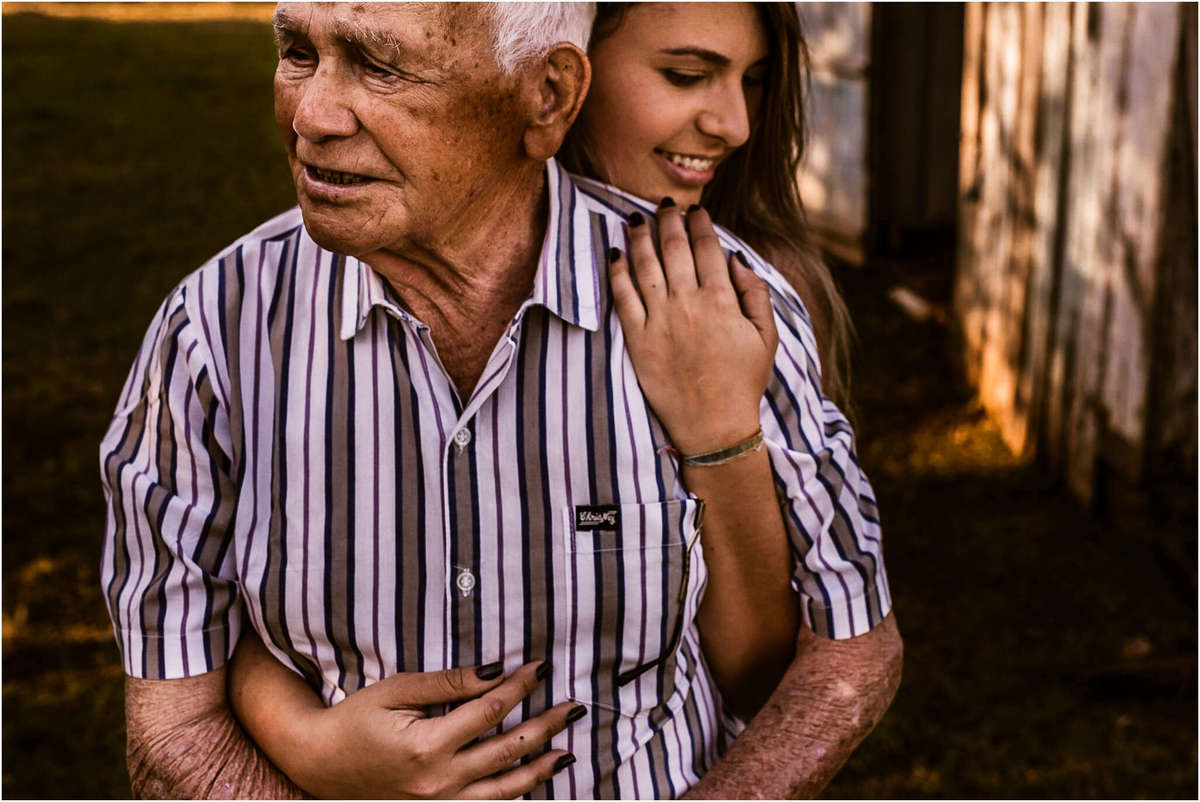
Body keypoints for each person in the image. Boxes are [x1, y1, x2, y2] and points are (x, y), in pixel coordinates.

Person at [100, 3, 898, 799]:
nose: (310, 116)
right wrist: (301, 742)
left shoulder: (727, 306)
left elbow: (841, 645)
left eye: (380, 65)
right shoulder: (214, 331)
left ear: (550, 96)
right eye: (297, 51)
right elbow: (174, 721)